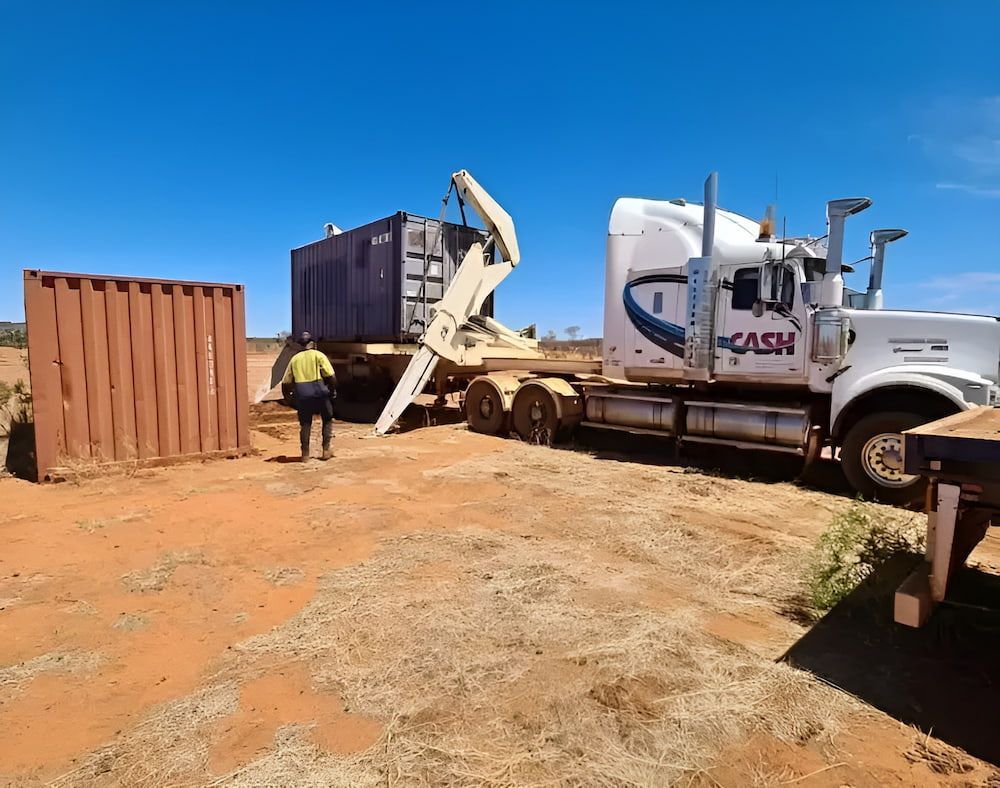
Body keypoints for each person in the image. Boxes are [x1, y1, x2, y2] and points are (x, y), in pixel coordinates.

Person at [281, 332, 336, 461]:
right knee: (327, 419)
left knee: (305, 424)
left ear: (301, 345)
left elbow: (286, 382)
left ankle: (305, 454)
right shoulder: (319, 355)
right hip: (320, 392)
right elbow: (331, 376)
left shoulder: (294, 359)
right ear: (312, 343)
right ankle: (326, 450)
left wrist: (287, 397)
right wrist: (332, 391)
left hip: (303, 394)